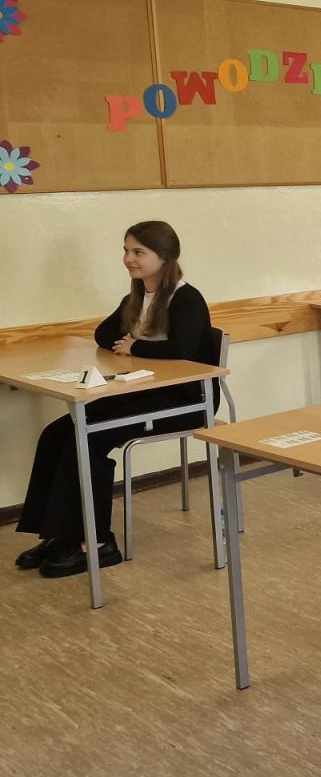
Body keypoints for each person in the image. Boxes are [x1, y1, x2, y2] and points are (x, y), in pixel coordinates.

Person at [16, 221, 213, 578]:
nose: (129, 259)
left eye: (139, 252)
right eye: (126, 251)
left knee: (89, 437)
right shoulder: (136, 298)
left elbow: (182, 349)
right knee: (58, 432)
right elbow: (103, 333)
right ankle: (59, 534)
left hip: (184, 400)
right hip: (142, 391)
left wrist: (136, 347)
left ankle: (98, 543)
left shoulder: (186, 299)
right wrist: (127, 344)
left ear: (164, 257)